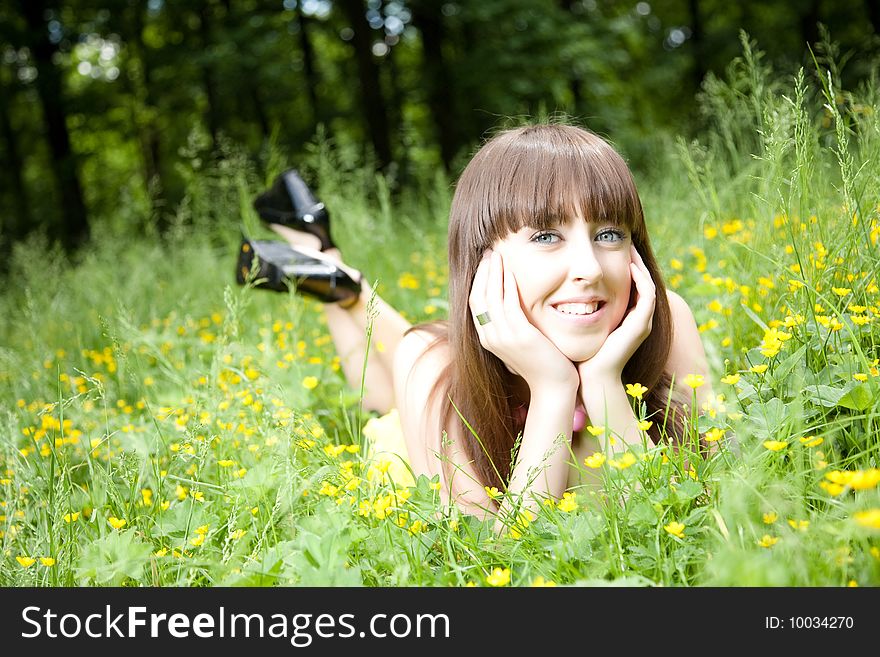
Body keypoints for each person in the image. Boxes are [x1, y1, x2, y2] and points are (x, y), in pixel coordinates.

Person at [245, 123, 714, 523]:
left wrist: (606, 384)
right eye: (546, 236)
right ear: (483, 259)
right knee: (386, 394)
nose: (589, 269)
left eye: (608, 234)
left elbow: (681, 524)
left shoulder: (667, 324)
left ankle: (329, 270)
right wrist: (552, 389)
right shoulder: (432, 366)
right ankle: (336, 279)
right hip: (431, 419)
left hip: (454, 363)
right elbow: (497, 560)